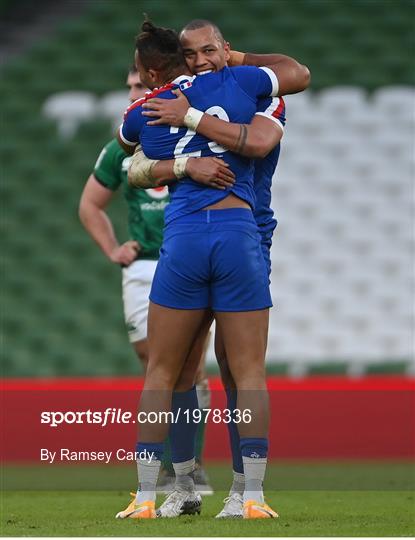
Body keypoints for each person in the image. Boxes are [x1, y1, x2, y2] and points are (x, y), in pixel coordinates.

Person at [115, 19, 307, 520]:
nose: (203, 61)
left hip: (247, 229)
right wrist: (183, 165)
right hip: (231, 232)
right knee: (191, 368)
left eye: (210, 52)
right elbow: (132, 168)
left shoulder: (257, 91)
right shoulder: (236, 88)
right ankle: (186, 487)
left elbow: (259, 142)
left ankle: (241, 490)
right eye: (195, 55)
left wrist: (190, 118)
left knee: (224, 370)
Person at [78, 65, 234, 495]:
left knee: (189, 367)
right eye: (128, 86)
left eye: (139, 86)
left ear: (162, 87)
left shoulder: (199, 133)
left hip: (187, 260)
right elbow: (90, 205)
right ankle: (170, 469)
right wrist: (114, 249)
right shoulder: (121, 147)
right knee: (154, 364)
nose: (131, 92)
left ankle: (186, 469)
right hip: (144, 265)